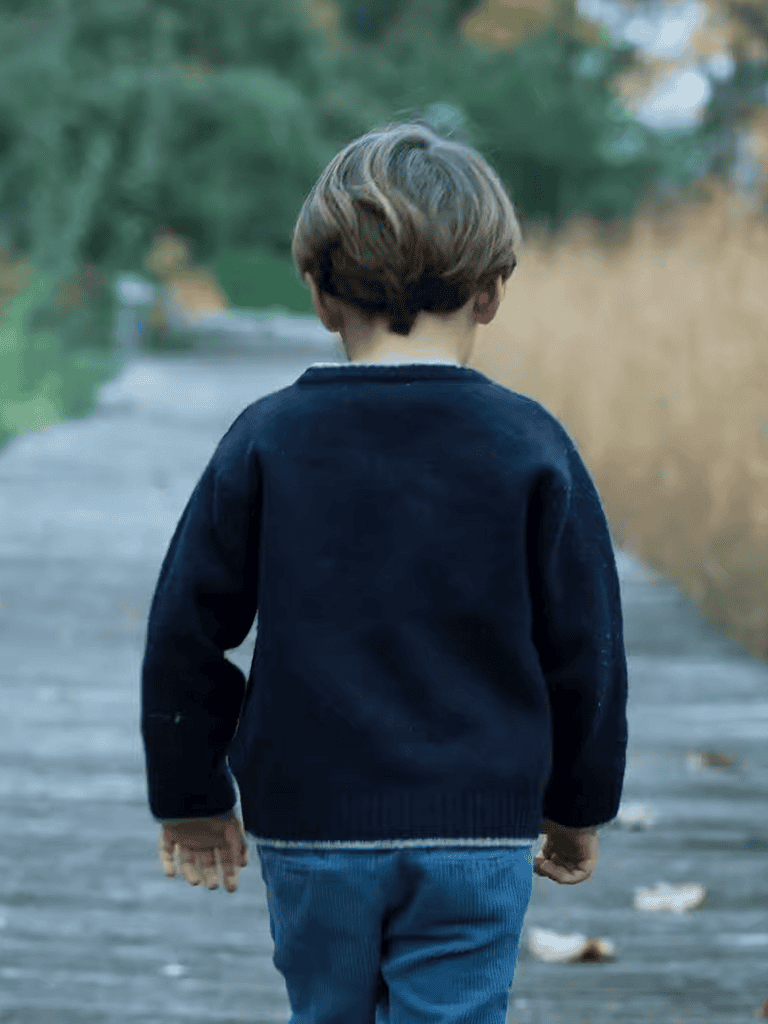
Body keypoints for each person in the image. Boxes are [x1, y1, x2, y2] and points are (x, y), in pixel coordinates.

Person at [142, 117, 628, 1024]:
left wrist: (192, 795)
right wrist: (577, 804)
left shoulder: (267, 438)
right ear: (490, 294)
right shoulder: (531, 446)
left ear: (322, 296)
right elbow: (587, 645)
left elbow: (186, 628)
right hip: (478, 828)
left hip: (312, 821)